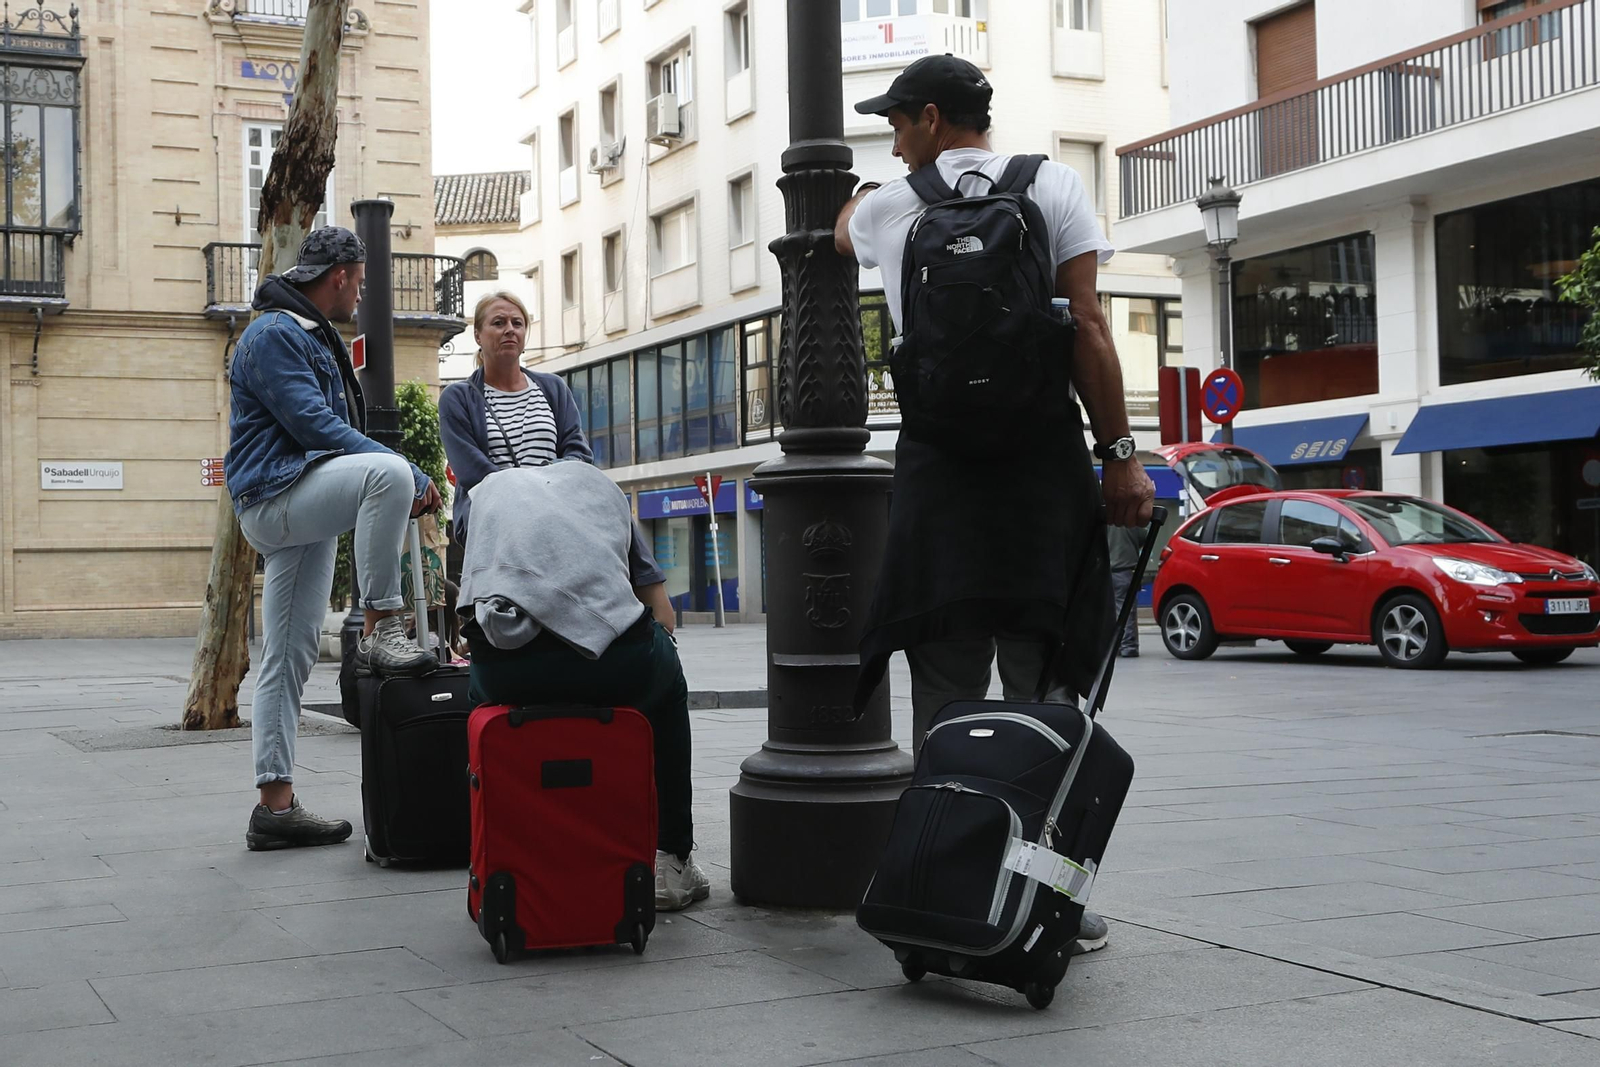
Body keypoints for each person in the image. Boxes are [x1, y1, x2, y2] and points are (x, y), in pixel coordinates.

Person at [836, 55, 1156, 955]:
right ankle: (1050, 896)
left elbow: (834, 236)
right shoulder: (1055, 186)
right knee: (1048, 692)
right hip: (1039, 475)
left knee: (944, 693)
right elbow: (1088, 323)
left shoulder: (894, 206)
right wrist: (1119, 460)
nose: (895, 141)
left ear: (933, 119)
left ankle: (941, 872)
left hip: (941, 478)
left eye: (899, 122)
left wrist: (864, 187)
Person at [227, 226, 442, 852]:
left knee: (286, 657)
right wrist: (411, 471)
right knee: (387, 472)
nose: (363, 292)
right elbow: (315, 425)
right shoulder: (273, 333)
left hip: (299, 498)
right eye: (361, 279)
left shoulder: (306, 332)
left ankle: (275, 806)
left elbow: (323, 433)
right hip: (275, 495)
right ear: (343, 274)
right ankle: (380, 630)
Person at [458, 460, 711, 911]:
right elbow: (644, 592)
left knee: (480, 701)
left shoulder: (490, 490)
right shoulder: (596, 483)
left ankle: (492, 855)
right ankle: (672, 857)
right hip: (613, 665)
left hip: (508, 670)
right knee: (668, 680)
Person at [438, 292, 673, 629]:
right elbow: (471, 470)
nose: (509, 330)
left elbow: (578, 452)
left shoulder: (552, 388)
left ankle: (650, 593)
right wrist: (530, 491)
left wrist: (551, 487)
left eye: (517, 324)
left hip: (558, 495)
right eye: (498, 323)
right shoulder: (458, 397)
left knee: (609, 498)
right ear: (478, 334)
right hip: (490, 503)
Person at [1107, 524, 1149, 658]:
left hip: (1106, 570)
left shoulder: (1103, 519)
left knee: (1107, 611)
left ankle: (1115, 645)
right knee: (1126, 609)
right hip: (1126, 570)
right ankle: (1128, 645)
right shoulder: (1130, 522)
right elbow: (1144, 537)